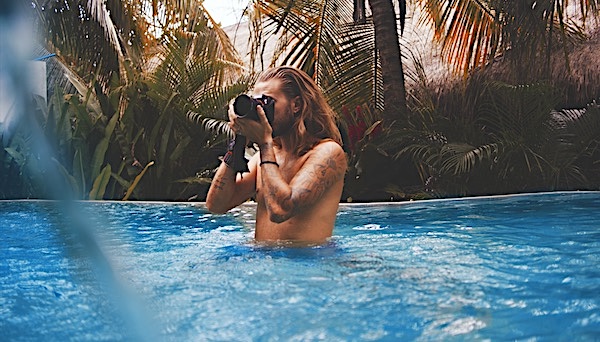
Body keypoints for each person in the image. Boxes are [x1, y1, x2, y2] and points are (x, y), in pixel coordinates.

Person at [206, 66, 347, 245]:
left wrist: (265, 144)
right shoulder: (265, 158)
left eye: (268, 102)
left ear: (296, 105)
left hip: (307, 266)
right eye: (257, 102)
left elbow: (280, 211)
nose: (262, 111)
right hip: (264, 263)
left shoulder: (328, 153)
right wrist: (239, 140)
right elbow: (216, 206)